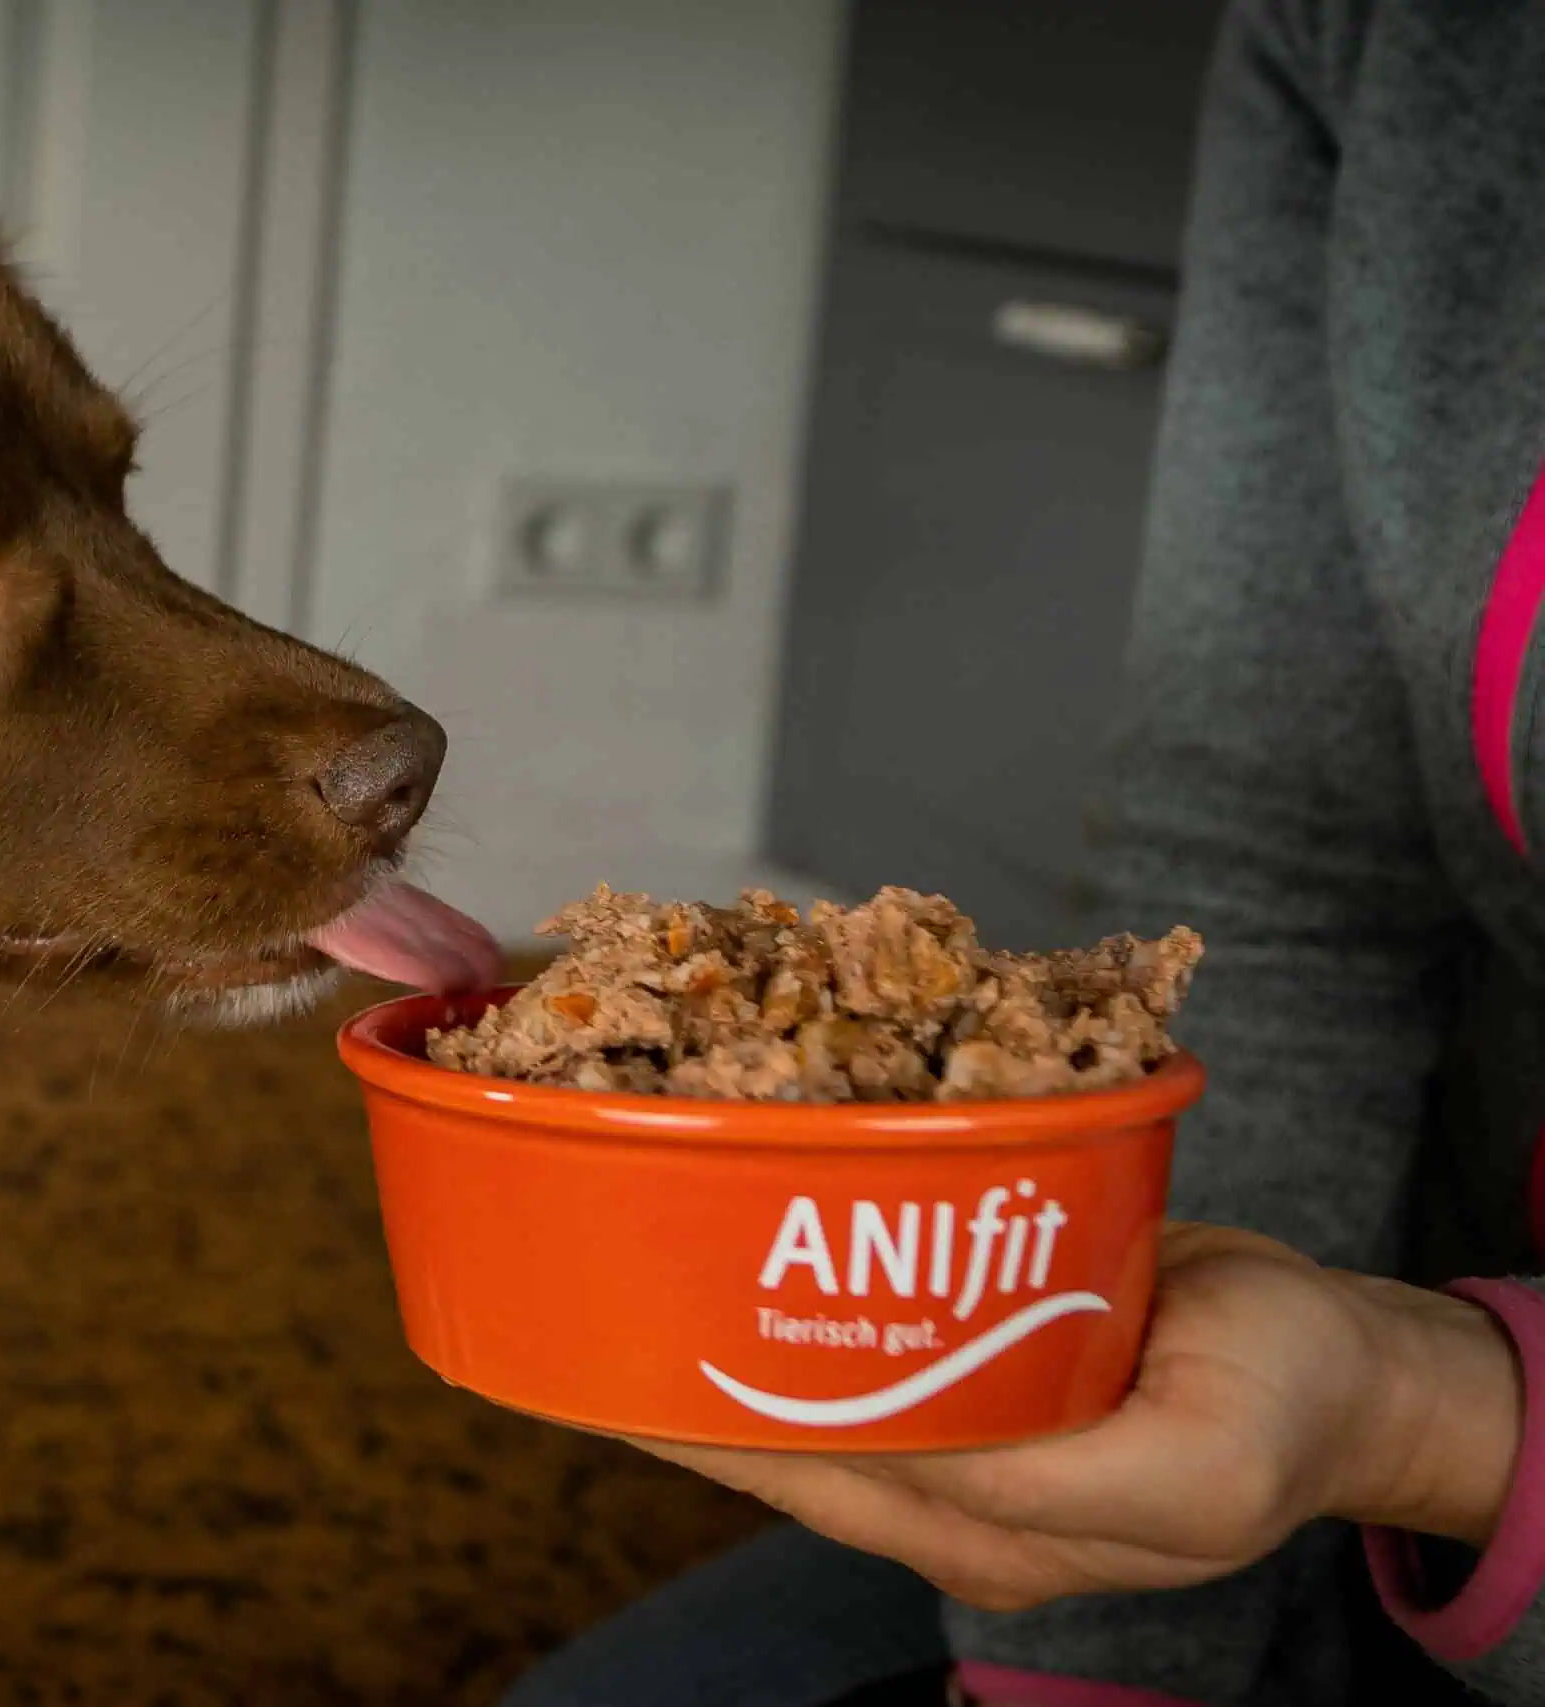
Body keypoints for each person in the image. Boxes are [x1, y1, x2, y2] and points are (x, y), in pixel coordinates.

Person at [504, 1, 1545, 1702]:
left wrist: (1434, 1419)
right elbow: (1276, 852)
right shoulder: (1381, 37)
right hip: (1372, 1344)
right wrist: (1106, 1646)